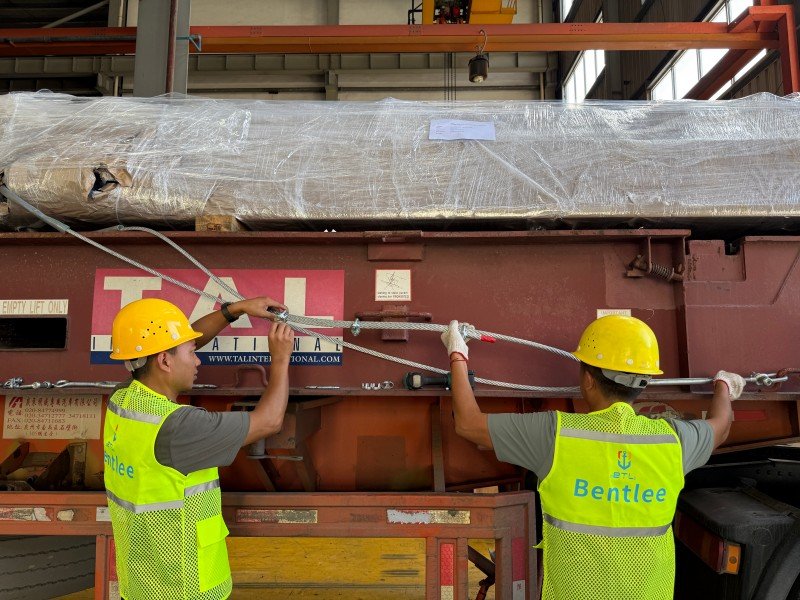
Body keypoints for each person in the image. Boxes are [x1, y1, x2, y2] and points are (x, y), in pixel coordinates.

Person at [441, 314, 745, 600]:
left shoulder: (555, 434)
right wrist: (723, 386)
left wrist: (457, 353)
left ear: (587, 380)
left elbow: (468, 423)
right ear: (644, 380)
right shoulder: (674, 442)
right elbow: (720, 428)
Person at [103, 296, 294, 600]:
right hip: (184, 587)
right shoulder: (180, 428)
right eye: (192, 353)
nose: (198, 360)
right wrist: (281, 360)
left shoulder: (124, 399)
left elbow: (180, 340)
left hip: (143, 583)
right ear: (165, 361)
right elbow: (269, 421)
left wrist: (234, 311)